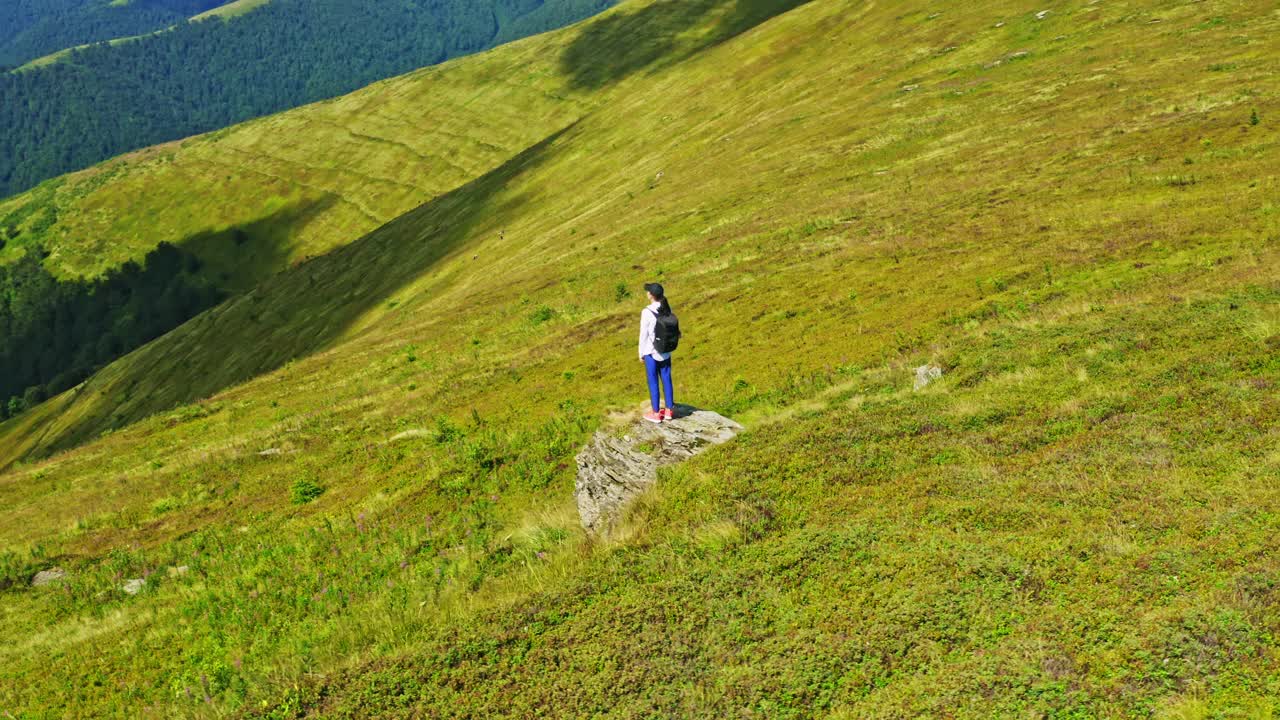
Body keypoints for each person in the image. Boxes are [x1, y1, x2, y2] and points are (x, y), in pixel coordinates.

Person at [638, 282, 676, 423]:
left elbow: (644, 335)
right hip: (665, 351)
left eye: (648, 291)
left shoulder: (647, 312)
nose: (646, 293)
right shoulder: (666, 307)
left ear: (651, 295)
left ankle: (656, 413)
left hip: (651, 352)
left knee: (653, 381)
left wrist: (641, 353)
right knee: (667, 379)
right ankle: (669, 411)